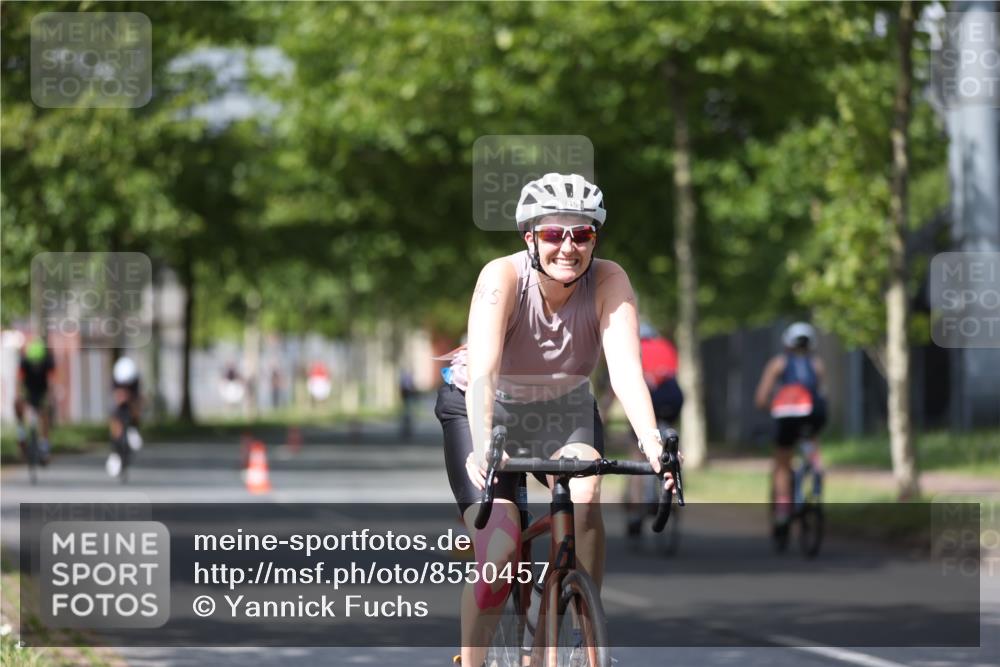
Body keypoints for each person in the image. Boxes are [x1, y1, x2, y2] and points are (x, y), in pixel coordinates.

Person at [434, 173, 676, 666]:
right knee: (499, 554)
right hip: (485, 405)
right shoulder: (500, 278)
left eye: (582, 234)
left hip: (562, 406)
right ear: (530, 237)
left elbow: (627, 371)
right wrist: (483, 445)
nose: (568, 246)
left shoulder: (610, 280)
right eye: (552, 234)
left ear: (595, 238)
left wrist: (653, 444)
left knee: (585, 496)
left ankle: (582, 623)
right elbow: (483, 372)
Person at [754, 321, 827, 528]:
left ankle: (783, 510)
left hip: (786, 417)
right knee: (811, 438)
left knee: (782, 462)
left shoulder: (779, 363)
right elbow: (822, 395)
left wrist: (774, 407)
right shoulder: (817, 364)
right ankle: (815, 467)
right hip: (812, 416)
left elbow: (760, 398)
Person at [624, 322, 684, 537]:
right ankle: (674, 492)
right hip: (672, 400)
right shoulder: (667, 346)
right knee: (668, 443)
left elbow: (627, 382)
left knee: (637, 454)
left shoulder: (633, 347)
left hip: (651, 398)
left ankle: (635, 510)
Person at [14, 337, 55, 464]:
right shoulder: (24, 361)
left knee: (45, 414)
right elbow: (19, 380)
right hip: (28, 391)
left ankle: (44, 447)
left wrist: (50, 396)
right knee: (17, 404)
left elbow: (52, 380)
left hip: (41, 391)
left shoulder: (47, 361)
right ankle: (21, 434)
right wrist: (19, 395)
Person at [107, 355, 143, 478]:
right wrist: (121, 398)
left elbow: (138, 399)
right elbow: (115, 396)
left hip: (132, 402)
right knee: (115, 418)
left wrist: (133, 405)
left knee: (136, 408)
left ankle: (134, 428)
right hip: (119, 405)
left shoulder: (135, 380)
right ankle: (115, 450)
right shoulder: (115, 379)